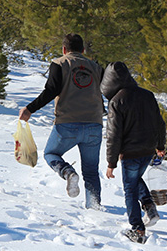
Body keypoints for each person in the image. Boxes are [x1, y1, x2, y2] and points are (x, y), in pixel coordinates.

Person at [19, 33, 104, 209]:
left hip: (67, 122)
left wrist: (29, 109)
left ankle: (67, 172)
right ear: (83, 50)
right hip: (94, 124)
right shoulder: (96, 67)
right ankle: (94, 207)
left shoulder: (60, 63)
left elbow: (51, 90)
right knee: (91, 171)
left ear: (64, 50)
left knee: (50, 154)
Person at [101, 61, 166, 243]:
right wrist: (160, 145)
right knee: (135, 179)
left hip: (130, 153)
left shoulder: (116, 101)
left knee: (129, 189)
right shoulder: (147, 95)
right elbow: (160, 123)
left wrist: (111, 164)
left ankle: (137, 229)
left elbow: (113, 135)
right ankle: (149, 206)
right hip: (148, 149)